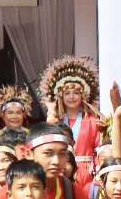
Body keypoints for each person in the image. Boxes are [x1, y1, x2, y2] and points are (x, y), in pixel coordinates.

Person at [42, 56, 104, 185]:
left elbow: (100, 150)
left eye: (76, 92)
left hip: (86, 174)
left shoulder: (92, 121)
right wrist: (51, 113)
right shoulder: (55, 121)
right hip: (61, 168)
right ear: (60, 96)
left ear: (83, 96)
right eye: (67, 93)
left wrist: (99, 173)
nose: (71, 97)